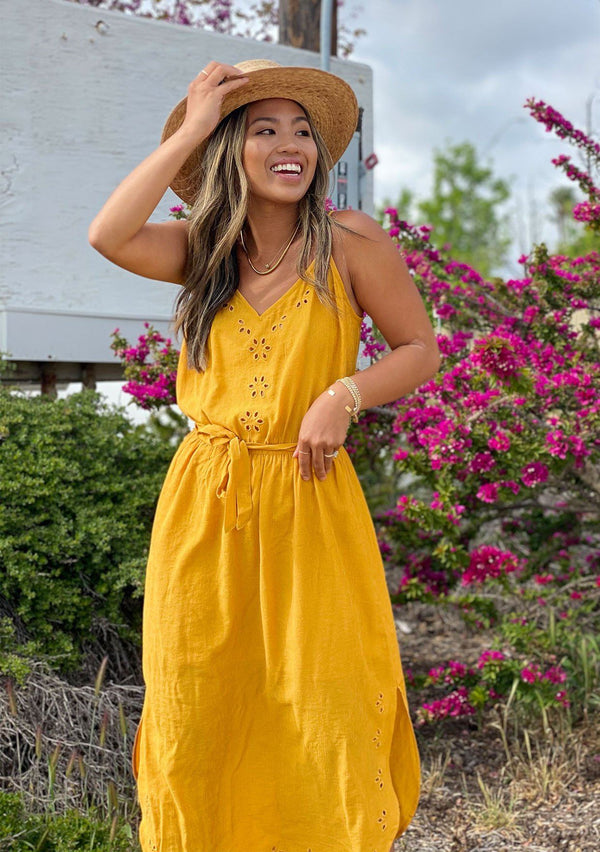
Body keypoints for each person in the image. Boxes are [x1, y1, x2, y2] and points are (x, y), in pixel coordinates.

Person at [89, 58, 440, 852]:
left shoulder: (350, 241)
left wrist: (343, 394)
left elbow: (420, 348)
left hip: (311, 502)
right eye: (265, 129)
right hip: (204, 510)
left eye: (304, 131)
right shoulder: (199, 250)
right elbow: (106, 234)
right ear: (227, 149)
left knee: (327, 703)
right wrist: (194, 122)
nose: (293, 146)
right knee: (199, 705)